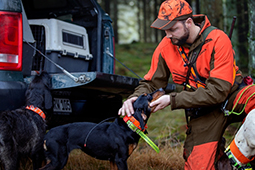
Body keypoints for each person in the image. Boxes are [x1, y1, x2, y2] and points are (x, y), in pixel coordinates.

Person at [118, 0, 255, 169]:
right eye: (165, 30)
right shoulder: (165, 46)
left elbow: (218, 92)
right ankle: (223, 162)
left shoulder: (218, 40)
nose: (168, 35)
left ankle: (237, 157)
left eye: (172, 29)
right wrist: (133, 98)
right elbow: (151, 83)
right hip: (203, 110)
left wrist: (172, 100)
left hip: (233, 96)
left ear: (189, 22)